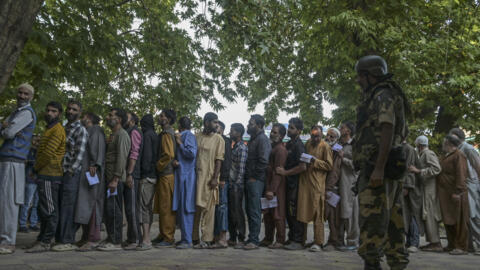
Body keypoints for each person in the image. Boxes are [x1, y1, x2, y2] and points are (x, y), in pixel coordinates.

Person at [353, 55, 409, 269]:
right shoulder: (387, 94)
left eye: (361, 76)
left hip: (380, 171)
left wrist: (377, 169)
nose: (358, 80)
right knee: (394, 227)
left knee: (372, 229)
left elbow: (388, 128)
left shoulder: (382, 94)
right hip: (385, 171)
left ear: (371, 75)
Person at [0, 83, 36, 255]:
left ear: (31, 97)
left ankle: (8, 242)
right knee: (3, 200)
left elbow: (8, 133)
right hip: (7, 159)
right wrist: (5, 126)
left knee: (9, 201)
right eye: (20, 92)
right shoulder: (16, 112)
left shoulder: (27, 113)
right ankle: (4, 239)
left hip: (15, 161)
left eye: (26, 93)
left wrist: (6, 126)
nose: (22, 96)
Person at [26, 101, 66, 253]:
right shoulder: (48, 129)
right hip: (44, 173)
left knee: (50, 210)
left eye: (54, 111)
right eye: (48, 110)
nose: (49, 113)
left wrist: (35, 168)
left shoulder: (57, 130)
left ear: (59, 114)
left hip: (51, 174)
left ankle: (46, 242)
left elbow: (48, 154)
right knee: (44, 210)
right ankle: (40, 239)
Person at [53, 100, 88, 252]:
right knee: (60, 205)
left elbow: (79, 155)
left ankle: (67, 240)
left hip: (71, 173)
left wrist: (70, 171)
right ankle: (60, 239)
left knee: (68, 207)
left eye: (74, 109)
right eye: (69, 109)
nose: (70, 111)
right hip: (59, 172)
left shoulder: (81, 130)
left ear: (79, 112)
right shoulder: (64, 128)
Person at [97, 108, 131, 251]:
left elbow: (122, 158)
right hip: (109, 177)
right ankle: (111, 237)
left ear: (119, 119)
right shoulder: (114, 135)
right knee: (109, 210)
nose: (108, 117)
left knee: (115, 211)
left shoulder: (122, 135)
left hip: (115, 180)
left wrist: (115, 179)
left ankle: (116, 241)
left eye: (111, 115)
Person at [296, 126, 332, 252]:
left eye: (317, 136)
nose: (315, 138)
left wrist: (314, 161)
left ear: (321, 135)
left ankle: (318, 242)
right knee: (303, 210)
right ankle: (302, 240)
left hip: (317, 184)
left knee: (318, 213)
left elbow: (329, 165)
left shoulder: (325, 146)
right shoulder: (307, 143)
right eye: (313, 136)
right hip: (305, 182)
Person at [75, 112, 106, 251]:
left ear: (89, 118)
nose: (82, 119)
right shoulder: (88, 130)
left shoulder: (96, 131)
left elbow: (97, 148)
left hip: (92, 173)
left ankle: (93, 238)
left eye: (84, 117)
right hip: (86, 172)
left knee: (92, 203)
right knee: (85, 204)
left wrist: (95, 164)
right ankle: (86, 236)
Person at [193, 112, 224, 249]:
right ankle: (194, 238)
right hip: (195, 177)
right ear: (206, 122)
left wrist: (214, 178)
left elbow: (219, 160)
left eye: (217, 122)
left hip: (209, 177)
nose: (217, 125)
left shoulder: (218, 139)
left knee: (208, 209)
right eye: (214, 122)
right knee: (195, 209)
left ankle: (206, 239)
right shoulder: (197, 136)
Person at [276, 117, 307, 250]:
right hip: (288, 184)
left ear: (299, 131)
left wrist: (285, 173)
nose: (289, 129)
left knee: (294, 211)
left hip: (296, 184)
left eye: (292, 128)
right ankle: (292, 237)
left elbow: (303, 167)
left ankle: (298, 241)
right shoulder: (289, 144)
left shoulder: (299, 145)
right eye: (289, 126)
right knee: (289, 212)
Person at [437, 135, 470, 255]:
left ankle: (461, 247)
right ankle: (451, 244)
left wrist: (458, 191)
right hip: (445, 193)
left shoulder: (459, 155)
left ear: (449, 144)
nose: (442, 145)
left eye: (444, 143)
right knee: (448, 219)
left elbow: (461, 173)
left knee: (459, 220)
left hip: (455, 192)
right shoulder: (446, 155)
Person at [408, 135, 442, 252]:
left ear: (419, 145)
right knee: (427, 216)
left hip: (430, 190)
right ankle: (432, 242)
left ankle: (436, 243)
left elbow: (437, 169)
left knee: (430, 215)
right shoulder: (423, 154)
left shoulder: (428, 154)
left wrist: (418, 171)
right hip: (426, 189)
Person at [449, 128, 480, 255]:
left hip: (471, 185)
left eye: (452, 136)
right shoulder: (458, 148)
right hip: (464, 185)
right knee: (466, 215)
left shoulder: (468, 148)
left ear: (458, 136)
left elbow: (478, 166)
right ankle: (469, 246)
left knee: (473, 215)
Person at [244, 114, 271, 250]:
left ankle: (254, 240)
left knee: (254, 211)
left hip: (256, 180)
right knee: (250, 210)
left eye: (251, 123)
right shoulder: (253, 139)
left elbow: (264, 161)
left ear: (259, 126)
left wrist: (255, 176)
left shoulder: (262, 139)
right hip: (250, 179)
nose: (248, 125)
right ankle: (251, 238)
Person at [260, 123, 287, 249]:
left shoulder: (280, 150)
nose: (272, 134)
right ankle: (268, 238)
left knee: (277, 214)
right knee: (268, 214)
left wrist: (272, 190)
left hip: (277, 187)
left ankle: (280, 240)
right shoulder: (273, 147)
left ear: (281, 136)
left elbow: (278, 172)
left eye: (275, 132)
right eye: (272, 131)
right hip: (268, 184)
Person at [153, 109, 177, 247]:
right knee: (162, 206)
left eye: (162, 116)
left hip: (166, 175)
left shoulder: (167, 134)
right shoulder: (165, 133)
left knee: (166, 207)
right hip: (165, 175)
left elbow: (168, 154)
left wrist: (157, 166)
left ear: (168, 119)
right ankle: (163, 234)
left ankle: (168, 237)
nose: (160, 117)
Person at [172, 117, 197, 249]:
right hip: (182, 176)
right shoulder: (184, 136)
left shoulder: (188, 137)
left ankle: (187, 240)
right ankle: (184, 238)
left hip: (187, 177)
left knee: (187, 207)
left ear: (180, 125)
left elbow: (191, 153)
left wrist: (180, 143)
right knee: (182, 208)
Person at [137, 114, 158, 251]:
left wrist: (143, 171)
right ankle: (146, 237)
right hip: (153, 175)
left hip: (147, 176)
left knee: (144, 207)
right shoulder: (154, 135)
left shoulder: (147, 135)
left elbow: (147, 156)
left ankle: (146, 239)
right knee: (147, 207)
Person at [337, 121, 359, 251]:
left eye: (342, 127)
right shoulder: (340, 144)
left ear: (348, 131)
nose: (340, 129)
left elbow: (358, 165)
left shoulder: (354, 146)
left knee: (350, 212)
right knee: (342, 212)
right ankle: (341, 239)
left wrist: (343, 158)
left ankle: (352, 242)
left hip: (349, 183)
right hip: (339, 183)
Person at [122, 111, 143, 250]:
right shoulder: (127, 131)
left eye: (126, 117)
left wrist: (129, 174)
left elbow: (134, 153)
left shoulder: (134, 132)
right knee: (129, 208)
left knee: (132, 209)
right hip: (127, 173)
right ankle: (131, 238)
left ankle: (135, 239)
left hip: (132, 175)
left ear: (133, 121)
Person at [227, 123, 248, 249]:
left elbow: (241, 169)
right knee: (232, 212)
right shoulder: (235, 147)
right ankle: (233, 237)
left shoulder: (242, 148)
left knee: (238, 212)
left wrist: (237, 184)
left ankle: (241, 237)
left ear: (239, 133)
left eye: (232, 131)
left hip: (237, 185)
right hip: (232, 183)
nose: (230, 133)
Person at [401, 141, 423, 253]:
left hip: (409, 188)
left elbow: (409, 168)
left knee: (411, 214)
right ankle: (409, 241)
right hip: (404, 186)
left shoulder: (408, 148)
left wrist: (407, 186)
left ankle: (414, 242)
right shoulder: (400, 147)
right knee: (405, 214)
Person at [212, 121, 232, 248]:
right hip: (211, 179)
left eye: (217, 126)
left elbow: (227, 161)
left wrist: (223, 178)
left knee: (222, 207)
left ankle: (223, 238)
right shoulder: (212, 139)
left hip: (221, 179)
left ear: (223, 129)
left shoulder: (225, 140)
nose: (215, 128)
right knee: (214, 208)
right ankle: (214, 236)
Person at [323, 127, 342, 251]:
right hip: (324, 186)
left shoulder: (337, 151)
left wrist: (328, 188)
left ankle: (333, 241)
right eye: (328, 135)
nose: (328, 138)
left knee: (332, 216)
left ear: (337, 139)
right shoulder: (326, 148)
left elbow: (335, 171)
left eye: (332, 137)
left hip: (331, 188)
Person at [19, 135, 40, 233]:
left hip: (39, 180)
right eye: (35, 139)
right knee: (26, 203)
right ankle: (22, 224)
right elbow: (27, 162)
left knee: (36, 204)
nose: (37, 141)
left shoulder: (41, 151)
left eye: (39, 139)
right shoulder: (28, 150)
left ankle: (33, 223)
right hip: (30, 179)